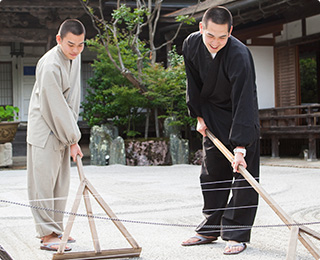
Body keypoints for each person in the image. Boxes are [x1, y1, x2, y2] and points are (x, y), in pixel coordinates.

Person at [181, 6, 260, 255]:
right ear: (201, 28)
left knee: (243, 178)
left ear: (231, 32)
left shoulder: (239, 55)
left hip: (240, 116)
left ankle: (237, 233)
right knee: (212, 172)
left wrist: (240, 146)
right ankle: (210, 228)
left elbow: (245, 100)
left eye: (222, 37)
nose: (215, 42)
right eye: (211, 35)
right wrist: (199, 116)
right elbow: (192, 82)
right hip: (212, 115)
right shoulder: (191, 45)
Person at [27, 19, 85, 251]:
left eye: (81, 45)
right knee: (43, 182)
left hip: (63, 127)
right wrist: (73, 139)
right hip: (45, 127)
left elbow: (73, 99)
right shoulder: (50, 65)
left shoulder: (75, 56)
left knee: (61, 183)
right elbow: (55, 105)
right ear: (59, 39)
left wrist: (72, 135)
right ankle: (46, 234)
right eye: (71, 44)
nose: (75, 50)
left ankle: (56, 228)